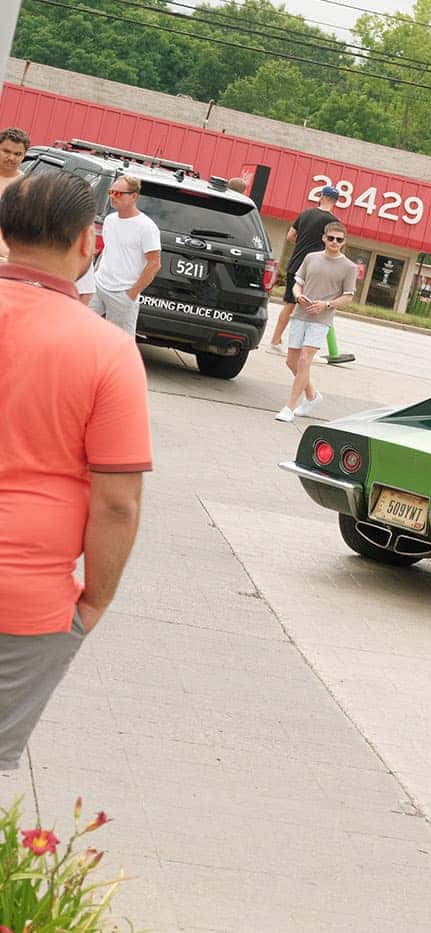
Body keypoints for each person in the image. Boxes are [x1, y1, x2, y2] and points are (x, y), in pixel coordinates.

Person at [0, 171, 150, 773]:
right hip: (23, 599)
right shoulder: (107, 350)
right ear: (90, 241)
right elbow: (118, 503)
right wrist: (94, 603)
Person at [276, 222, 357, 422]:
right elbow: (297, 284)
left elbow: (348, 296)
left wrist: (326, 305)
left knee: (304, 360)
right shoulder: (311, 258)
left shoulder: (349, 267)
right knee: (291, 361)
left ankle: (289, 408)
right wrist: (298, 296)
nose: (334, 242)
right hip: (300, 314)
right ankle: (312, 395)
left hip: (321, 319)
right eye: (331, 238)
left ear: (344, 242)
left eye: (339, 239)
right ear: (324, 238)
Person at [267, 185, 341, 354]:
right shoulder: (334, 223)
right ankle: (305, 348)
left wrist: (303, 243)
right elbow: (334, 246)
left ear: (321, 197)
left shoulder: (305, 214)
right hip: (316, 269)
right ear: (335, 202)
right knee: (314, 309)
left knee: (290, 304)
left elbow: (290, 236)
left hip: (296, 264)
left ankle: (275, 341)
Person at [91, 175, 160, 337]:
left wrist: (132, 294)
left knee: (119, 342)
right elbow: (108, 251)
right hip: (99, 285)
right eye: (111, 192)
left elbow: (154, 264)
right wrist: (95, 275)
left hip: (123, 294)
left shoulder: (146, 227)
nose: (113, 197)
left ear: (134, 196)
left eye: (118, 193)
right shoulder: (110, 220)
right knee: (80, 329)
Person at [0, 126, 31, 260]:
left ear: (24, 156)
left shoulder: (28, 187)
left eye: (17, 154)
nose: (11, 158)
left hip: (8, 259)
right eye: (6, 151)